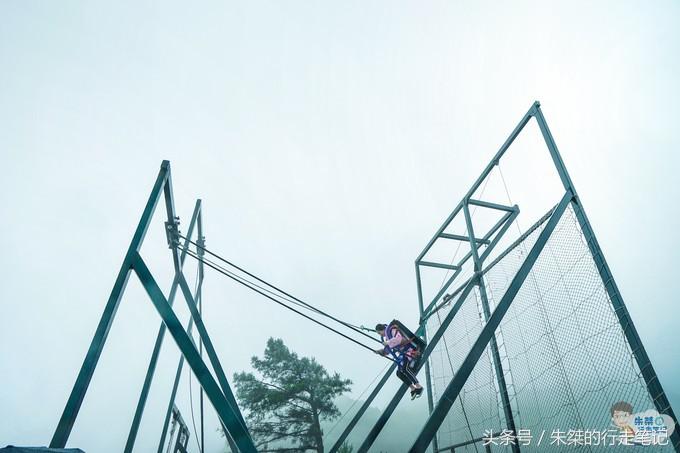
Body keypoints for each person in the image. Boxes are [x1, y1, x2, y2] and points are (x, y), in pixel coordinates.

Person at [374, 322, 424, 399]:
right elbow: (387, 351)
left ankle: (419, 386)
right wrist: (380, 352)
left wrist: (388, 342)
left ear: (382, 329)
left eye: (379, 333)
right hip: (404, 353)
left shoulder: (392, 329)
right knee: (399, 373)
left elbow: (399, 339)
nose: (380, 335)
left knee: (405, 369)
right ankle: (413, 388)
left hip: (410, 351)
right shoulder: (388, 337)